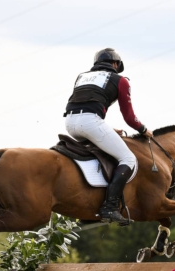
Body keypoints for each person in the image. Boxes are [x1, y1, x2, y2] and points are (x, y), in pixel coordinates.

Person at [64, 48, 153, 225]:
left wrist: (107, 129)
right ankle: (109, 207)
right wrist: (143, 130)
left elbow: (85, 107)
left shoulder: (81, 77)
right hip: (90, 123)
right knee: (128, 159)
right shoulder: (120, 81)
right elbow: (129, 117)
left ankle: (89, 204)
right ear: (116, 64)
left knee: (97, 154)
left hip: (70, 123)